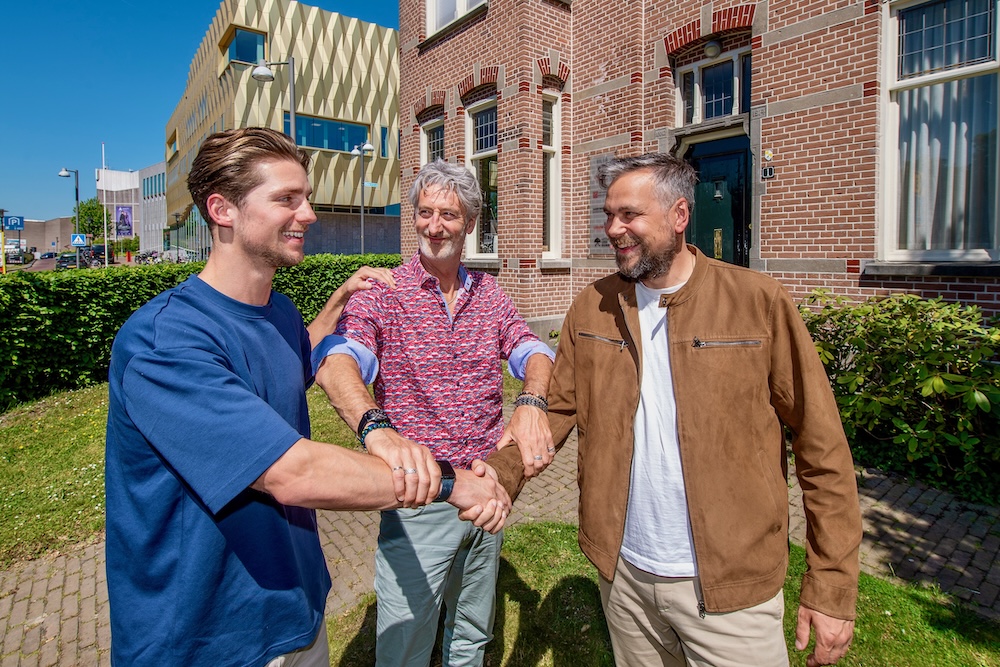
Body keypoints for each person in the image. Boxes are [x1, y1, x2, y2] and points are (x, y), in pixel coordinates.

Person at [104, 128, 511, 666]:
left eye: (307, 197)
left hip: (296, 611)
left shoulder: (280, 314)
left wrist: (340, 297)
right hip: (207, 640)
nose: (309, 214)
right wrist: (449, 480)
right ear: (222, 210)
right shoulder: (165, 341)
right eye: (287, 199)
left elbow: (302, 362)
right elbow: (292, 473)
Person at [489, 153, 863, 667]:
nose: (613, 229)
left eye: (630, 215)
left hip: (732, 586)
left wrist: (832, 585)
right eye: (609, 215)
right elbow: (556, 411)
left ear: (679, 215)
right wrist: (500, 474)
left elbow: (822, 447)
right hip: (625, 578)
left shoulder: (758, 302)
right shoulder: (592, 306)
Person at [312, 158, 556, 666]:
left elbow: (533, 350)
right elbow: (340, 362)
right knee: (405, 644)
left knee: (471, 631)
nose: (434, 226)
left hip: (487, 486)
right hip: (419, 497)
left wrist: (532, 401)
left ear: (470, 223)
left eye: (448, 215)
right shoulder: (385, 293)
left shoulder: (489, 293)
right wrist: (376, 428)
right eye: (425, 212)